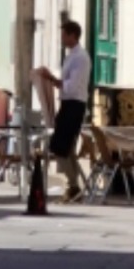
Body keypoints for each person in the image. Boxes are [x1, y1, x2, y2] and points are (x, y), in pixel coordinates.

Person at [49, 16, 91, 202]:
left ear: (73, 36)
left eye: (64, 35)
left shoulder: (80, 58)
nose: (62, 39)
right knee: (66, 148)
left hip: (74, 104)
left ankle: (73, 184)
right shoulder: (71, 56)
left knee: (60, 146)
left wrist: (53, 80)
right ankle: (74, 186)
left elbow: (72, 86)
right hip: (67, 103)